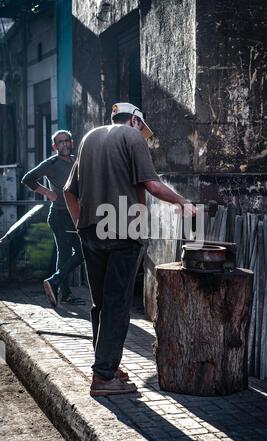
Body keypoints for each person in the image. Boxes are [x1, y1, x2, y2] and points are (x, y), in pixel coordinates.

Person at [64, 103, 197, 396]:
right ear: (135, 120)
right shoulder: (132, 137)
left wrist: (79, 226)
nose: (143, 136)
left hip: (90, 231)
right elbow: (152, 184)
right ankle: (103, 377)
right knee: (117, 303)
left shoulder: (88, 139)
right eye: (143, 128)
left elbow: (67, 191)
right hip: (123, 232)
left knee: (100, 303)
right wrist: (183, 203)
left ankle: (106, 366)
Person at [22, 130, 85, 307]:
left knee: (73, 253)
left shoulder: (75, 161)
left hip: (74, 215)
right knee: (73, 253)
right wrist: (48, 193)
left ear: (71, 142)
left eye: (67, 141)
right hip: (59, 215)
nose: (64, 144)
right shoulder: (51, 163)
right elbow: (28, 179)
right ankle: (58, 285)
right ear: (54, 146)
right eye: (60, 142)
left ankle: (59, 288)